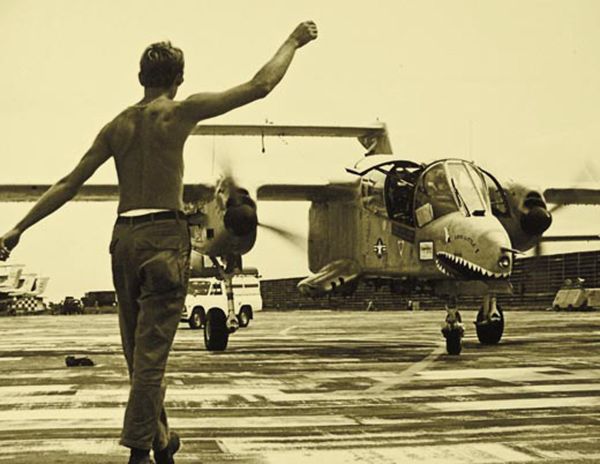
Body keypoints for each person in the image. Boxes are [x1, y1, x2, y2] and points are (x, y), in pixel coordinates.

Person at [0, 21, 318, 464]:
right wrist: (294, 41)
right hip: (164, 239)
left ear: (139, 78)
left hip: (123, 239)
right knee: (150, 356)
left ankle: (162, 441)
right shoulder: (180, 112)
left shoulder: (117, 126)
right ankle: (138, 452)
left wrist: (18, 228)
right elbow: (261, 85)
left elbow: (69, 182)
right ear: (179, 78)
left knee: (137, 354)